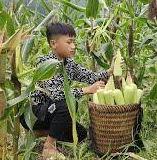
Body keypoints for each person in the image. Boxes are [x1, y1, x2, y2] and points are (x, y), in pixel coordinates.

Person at [20, 22, 116, 158]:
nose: (73, 46)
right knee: (68, 103)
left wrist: (109, 71)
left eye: (74, 42)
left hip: (51, 112)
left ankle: (40, 132)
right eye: (69, 42)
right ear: (54, 44)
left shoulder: (68, 64)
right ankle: (49, 148)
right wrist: (87, 90)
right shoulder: (45, 63)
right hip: (35, 114)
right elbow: (55, 94)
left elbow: (90, 76)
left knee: (80, 135)